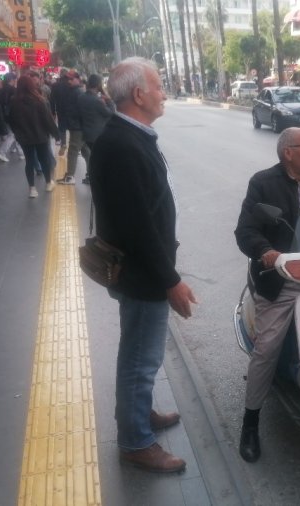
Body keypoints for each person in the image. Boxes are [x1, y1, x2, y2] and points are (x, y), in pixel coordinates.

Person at [89, 57, 197, 473]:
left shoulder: (130, 136)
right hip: (143, 274)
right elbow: (138, 225)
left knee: (139, 352)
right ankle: (135, 441)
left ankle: (140, 413)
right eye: (158, 86)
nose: (163, 92)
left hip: (143, 269)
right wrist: (171, 280)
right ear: (138, 94)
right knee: (140, 357)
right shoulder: (121, 144)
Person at [233, 127, 300, 463]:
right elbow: (245, 232)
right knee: (267, 348)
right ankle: (250, 422)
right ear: (288, 152)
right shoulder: (263, 183)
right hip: (280, 280)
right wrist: (266, 252)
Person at [7, 74, 59, 198]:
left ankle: (32, 189)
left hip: (24, 138)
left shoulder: (14, 101)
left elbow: (11, 120)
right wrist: (56, 134)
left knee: (29, 162)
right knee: (44, 160)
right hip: (40, 136)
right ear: (32, 85)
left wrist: (17, 133)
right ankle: (48, 183)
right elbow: (48, 120)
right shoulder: (40, 100)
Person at [77, 74, 114, 184]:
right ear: (98, 85)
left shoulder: (81, 97)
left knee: (93, 156)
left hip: (86, 134)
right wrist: (109, 101)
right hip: (98, 134)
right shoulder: (97, 101)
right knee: (99, 159)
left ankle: (90, 176)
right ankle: (96, 178)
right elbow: (110, 113)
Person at [59, 70, 89, 185]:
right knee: (85, 150)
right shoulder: (74, 91)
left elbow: (81, 111)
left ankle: (70, 176)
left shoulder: (78, 92)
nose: (69, 81)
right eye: (68, 79)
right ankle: (91, 174)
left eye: (72, 79)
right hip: (77, 126)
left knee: (73, 150)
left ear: (78, 79)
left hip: (77, 127)